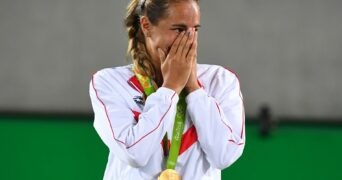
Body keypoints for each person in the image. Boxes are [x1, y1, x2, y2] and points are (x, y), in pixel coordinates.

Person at [89, 0, 245, 179]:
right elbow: (134, 153)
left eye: (195, 29)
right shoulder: (109, 82)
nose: (189, 39)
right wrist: (170, 88)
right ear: (146, 26)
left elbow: (224, 156)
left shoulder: (220, 80)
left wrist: (194, 88)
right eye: (179, 29)